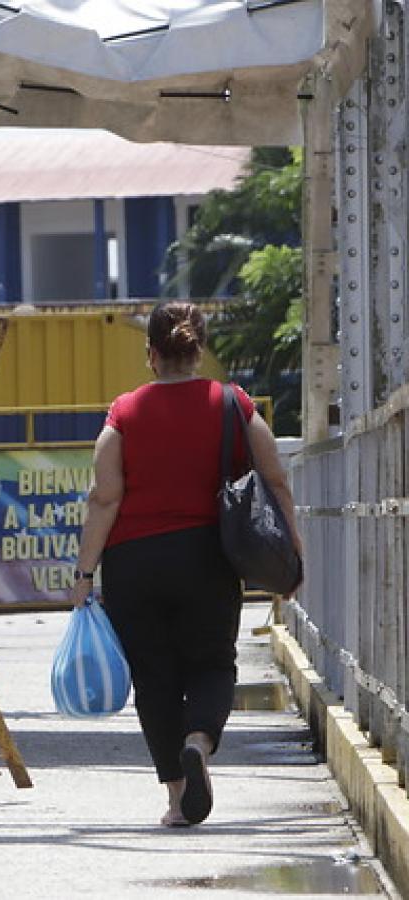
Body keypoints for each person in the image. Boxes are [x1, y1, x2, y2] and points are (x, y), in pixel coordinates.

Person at [68, 301, 302, 828]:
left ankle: (177, 801)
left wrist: (84, 574)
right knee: (213, 664)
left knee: (154, 679)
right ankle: (199, 740)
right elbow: (276, 479)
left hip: (133, 564)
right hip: (207, 558)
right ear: (200, 351)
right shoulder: (233, 404)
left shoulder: (124, 413)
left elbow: (104, 498)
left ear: (151, 353)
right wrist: (294, 552)